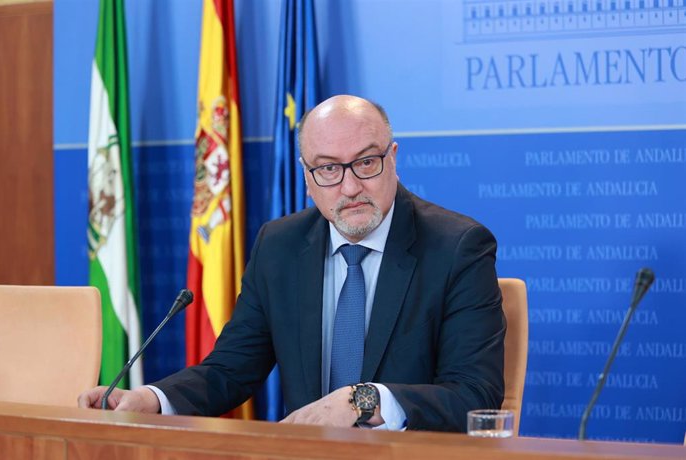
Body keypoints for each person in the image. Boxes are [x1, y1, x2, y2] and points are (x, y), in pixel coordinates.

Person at [79, 94, 506, 432]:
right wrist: (151, 400)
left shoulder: (457, 247)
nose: (351, 185)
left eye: (367, 162)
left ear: (393, 157)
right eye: (328, 170)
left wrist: (364, 400)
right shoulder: (280, 246)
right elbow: (232, 369)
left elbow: (475, 395)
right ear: (306, 177)